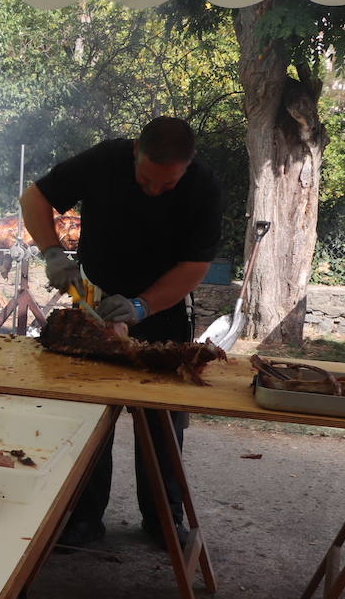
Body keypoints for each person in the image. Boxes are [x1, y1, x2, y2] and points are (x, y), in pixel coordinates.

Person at [21, 116, 222, 548]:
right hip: (95, 302)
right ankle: (84, 519)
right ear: (135, 152)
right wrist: (52, 252)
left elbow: (196, 265)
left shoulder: (203, 186)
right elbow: (34, 198)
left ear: (186, 168)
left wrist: (143, 305)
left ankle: (164, 520)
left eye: (167, 186)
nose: (154, 190)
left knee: (163, 422)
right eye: (147, 179)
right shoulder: (105, 159)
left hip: (162, 312)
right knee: (91, 416)